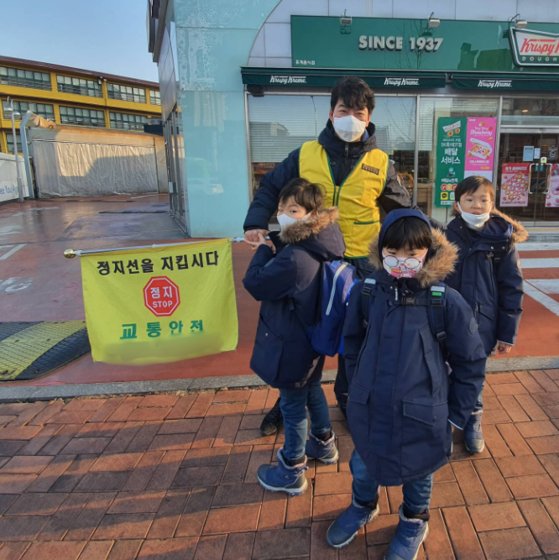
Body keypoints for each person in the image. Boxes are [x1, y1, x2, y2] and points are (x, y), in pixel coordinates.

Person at [244, 76, 413, 434]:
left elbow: (403, 212)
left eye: (358, 112)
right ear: (331, 112)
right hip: (310, 261)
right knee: (300, 336)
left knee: (358, 337)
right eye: (343, 110)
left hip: (361, 264)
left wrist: (422, 246)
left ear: (368, 118)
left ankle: (349, 399)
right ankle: (290, 400)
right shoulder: (305, 154)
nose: (350, 118)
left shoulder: (382, 163)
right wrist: (256, 221)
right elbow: (271, 187)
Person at [327, 208, 486, 557]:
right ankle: (363, 504)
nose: (402, 261)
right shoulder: (368, 292)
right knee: (364, 464)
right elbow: (352, 344)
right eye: (393, 252)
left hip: (424, 412)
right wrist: (355, 391)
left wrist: (457, 414)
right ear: (381, 250)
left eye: (412, 253)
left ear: (427, 252)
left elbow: (470, 361)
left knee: (419, 472)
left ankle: (414, 519)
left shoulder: (444, 301)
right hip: (371, 407)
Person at [243, 178, 345, 495]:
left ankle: (291, 468)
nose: (284, 214)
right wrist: (276, 241)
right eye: (281, 208)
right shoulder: (322, 241)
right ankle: (324, 444)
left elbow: (255, 283)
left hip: (291, 343)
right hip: (311, 339)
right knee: (312, 388)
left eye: (293, 209)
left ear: (312, 213)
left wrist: (262, 250)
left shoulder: (295, 258)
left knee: (291, 405)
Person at [444, 175, 527, 454]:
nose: (477, 205)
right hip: (449, 320)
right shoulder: (444, 237)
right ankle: (444, 420)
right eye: (470, 199)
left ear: (493, 204)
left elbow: (512, 287)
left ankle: (473, 418)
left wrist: (507, 332)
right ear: (458, 204)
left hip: (483, 322)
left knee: (473, 373)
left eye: (483, 199)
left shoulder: (502, 240)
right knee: (444, 368)